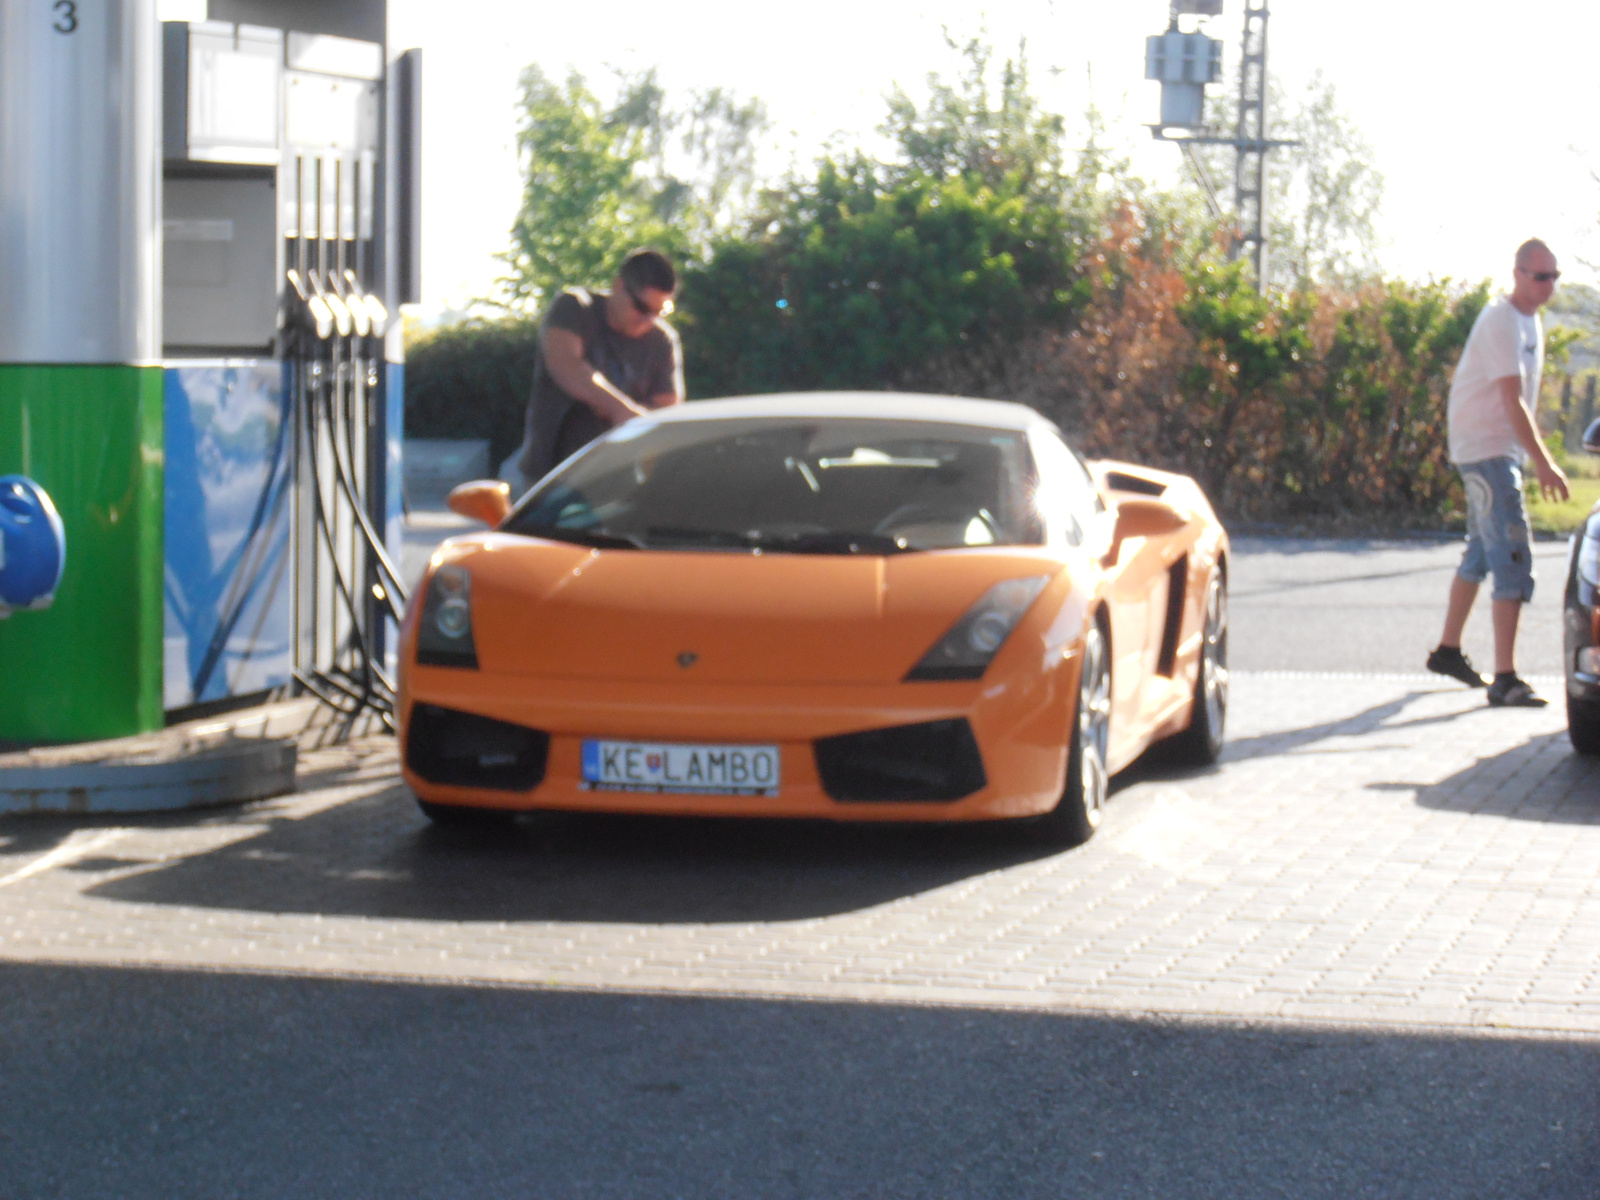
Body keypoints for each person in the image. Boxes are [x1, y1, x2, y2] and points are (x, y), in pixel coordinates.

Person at [1426, 238, 1569, 706]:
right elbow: (1512, 401)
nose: (1548, 285)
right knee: (1511, 553)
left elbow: (1519, 401)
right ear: (1518, 273)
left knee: (1482, 553)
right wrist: (1545, 464)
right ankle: (1505, 678)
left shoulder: (1531, 321)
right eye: (1540, 276)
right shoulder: (1501, 321)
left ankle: (1447, 651)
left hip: (1497, 449)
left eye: (1554, 276)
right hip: (1487, 451)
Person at [508, 248, 685, 489]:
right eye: (642, 308)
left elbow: (667, 409)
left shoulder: (662, 340)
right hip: (550, 476)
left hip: (620, 479)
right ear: (618, 285)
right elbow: (566, 365)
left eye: (660, 311)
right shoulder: (574, 307)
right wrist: (621, 410)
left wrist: (622, 413)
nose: (649, 320)